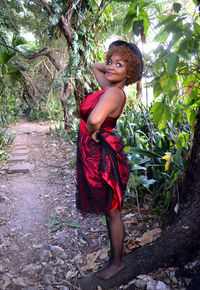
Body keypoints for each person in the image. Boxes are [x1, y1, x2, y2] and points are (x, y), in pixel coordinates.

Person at [76, 40, 143, 280]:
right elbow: (96, 66)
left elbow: (94, 119)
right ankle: (115, 258)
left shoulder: (113, 93)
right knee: (110, 209)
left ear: (130, 72)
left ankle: (117, 262)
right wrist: (115, 66)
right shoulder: (114, 88)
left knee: (113, 210)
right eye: (111, 61)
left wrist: (92, 132)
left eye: (120, 64)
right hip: (102, 150)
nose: (111, 67)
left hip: (100, 153)